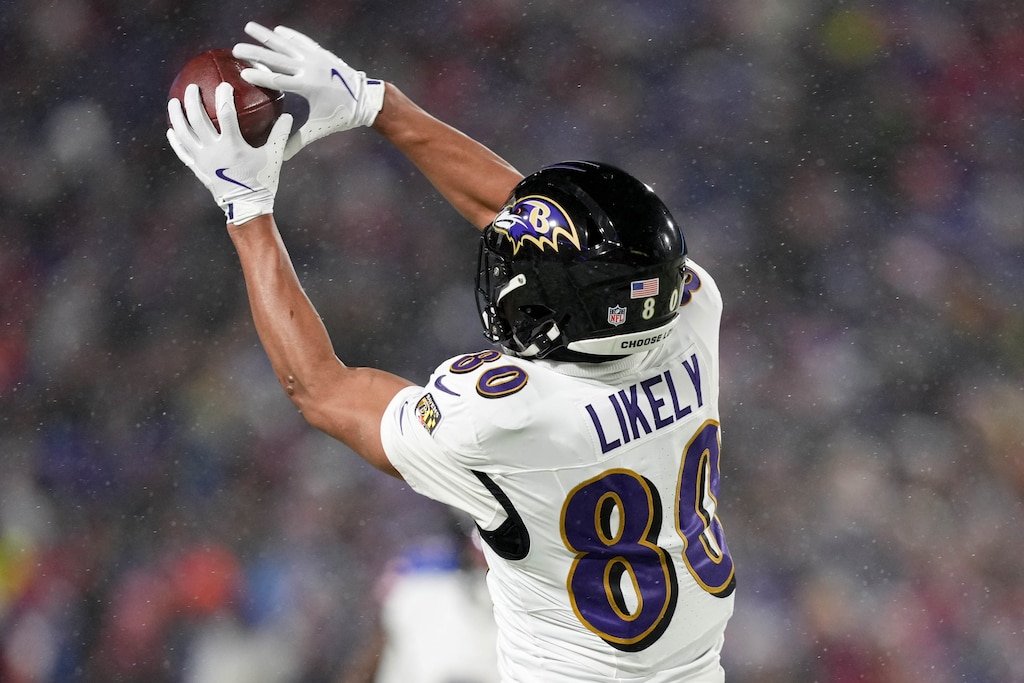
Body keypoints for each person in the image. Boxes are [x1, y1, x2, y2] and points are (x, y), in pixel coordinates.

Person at [167, 21, 736, 682]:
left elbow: (320, 387)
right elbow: (548, 231)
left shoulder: (509, 417)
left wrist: (247, 210)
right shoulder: (689, 309)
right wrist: (376, 105)